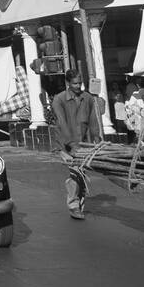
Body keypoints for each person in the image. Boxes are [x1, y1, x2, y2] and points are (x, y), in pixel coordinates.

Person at [51, 72, 103, 220]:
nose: (77, 86)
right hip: (66, 145)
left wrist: (97, 139)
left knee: (82, 173)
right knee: (76, 173)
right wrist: (72, 145)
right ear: (68, 83)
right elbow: (62, 123)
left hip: (84, 143)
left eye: (79, 83)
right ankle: (73, 205)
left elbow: (93, 121)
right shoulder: (59, 99)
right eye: (74, 83)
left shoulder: (87, 98)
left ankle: (78, 203)